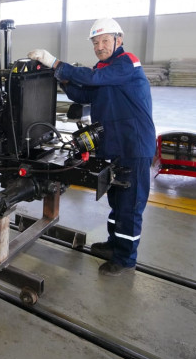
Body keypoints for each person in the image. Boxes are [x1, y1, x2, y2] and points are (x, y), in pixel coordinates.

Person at [27, 18, 156, 277]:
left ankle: (125, 258)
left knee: (130, 205)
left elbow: (95, 78)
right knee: (116, 200)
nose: (99, 47)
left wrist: (57, 63)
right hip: (113, 145)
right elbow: (84, 94)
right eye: (95, 43)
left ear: (119, 40)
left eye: (105, 40)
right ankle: (113, 244)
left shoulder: (127, 63)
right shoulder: (103, 68)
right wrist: (60, 77)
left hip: (134, 146)